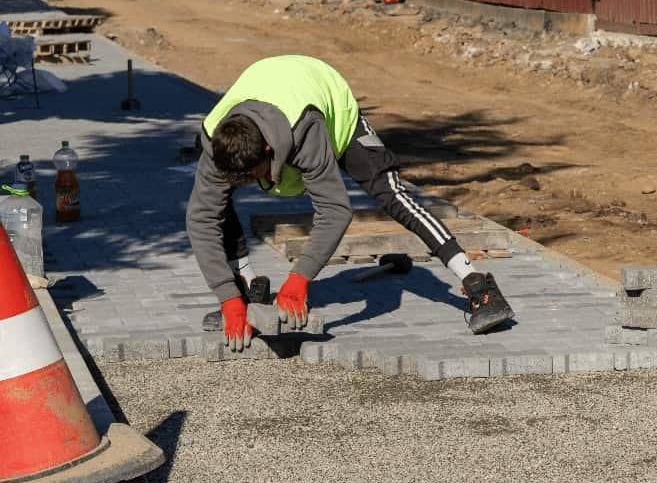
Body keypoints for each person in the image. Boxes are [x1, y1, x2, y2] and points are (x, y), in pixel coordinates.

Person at [187, 55, 515, 348]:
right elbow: (201, 219)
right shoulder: (220, 142)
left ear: (268, 152)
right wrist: (227, 297)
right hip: (271, 94)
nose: (247, 185)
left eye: (249, 176)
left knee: (391, 193)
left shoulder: (306, 129)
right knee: (215, 201)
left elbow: (334, 210)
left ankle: (477, 284)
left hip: (330, 106)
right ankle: (244, 294)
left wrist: (300, 278)